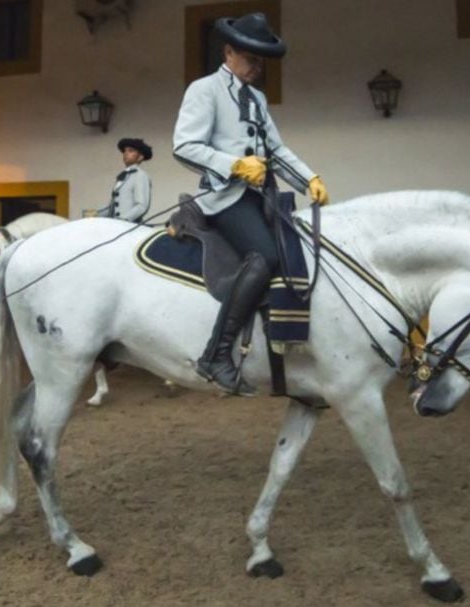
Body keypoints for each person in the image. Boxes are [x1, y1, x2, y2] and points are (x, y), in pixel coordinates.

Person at [173, 12, 329, 395]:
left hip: (263, 195)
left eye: (261, 62)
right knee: (265, 256)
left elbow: (275, 148)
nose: (257, 68)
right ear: (228, 52)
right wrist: (235, 166)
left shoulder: (257, 98)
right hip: (223, 196)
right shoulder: (203, 90)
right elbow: (184, 146)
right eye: (251, 59)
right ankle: (217, 353)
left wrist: (309, 177)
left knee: (300, 248)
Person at [93, 137, 152, 223]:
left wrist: (123, 220)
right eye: (125, 151)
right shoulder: (123, 176)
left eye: (131, 151)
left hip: (129, 227)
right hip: (117, 226)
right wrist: (94, 215)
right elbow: (111, 207)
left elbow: (141, 206)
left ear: (140, 157)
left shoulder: (140, 175)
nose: (126, 153)